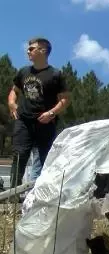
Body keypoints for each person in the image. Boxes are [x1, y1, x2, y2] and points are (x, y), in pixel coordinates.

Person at [7, 37, 70, 188]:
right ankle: (13, 198)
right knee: (19, 156)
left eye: (31, 49)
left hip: (45, 123)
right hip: (24, 121)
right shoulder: (23, 72)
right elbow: (14, 91)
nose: (27, 51)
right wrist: (11, 104)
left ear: (43, 51)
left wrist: (51, 113)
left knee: (46, 160)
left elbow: (65, 99)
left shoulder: (56, 74)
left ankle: (43, 197)